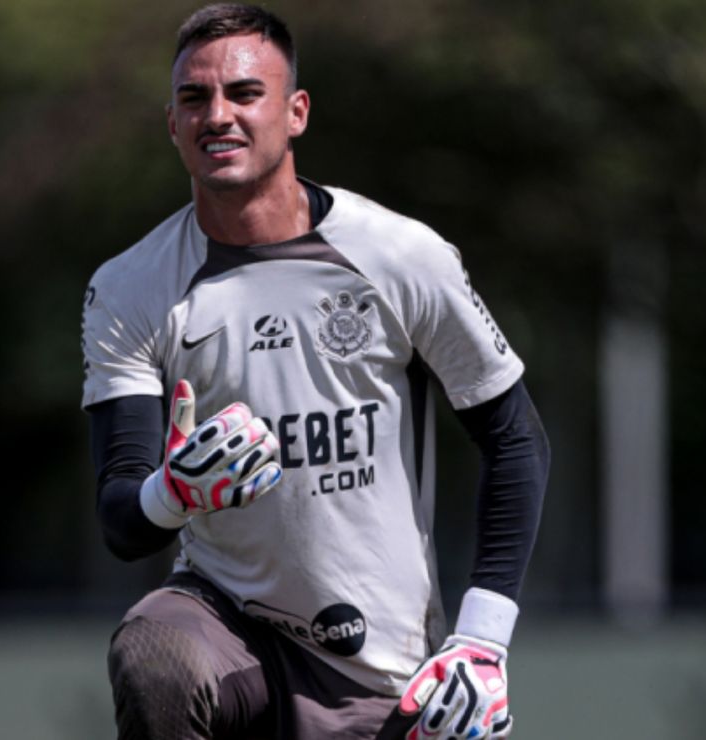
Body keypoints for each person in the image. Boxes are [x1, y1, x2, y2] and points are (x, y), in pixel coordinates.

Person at [80, 4, 549, 739]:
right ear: (172, 123)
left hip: (377, 665)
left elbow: (515, 439)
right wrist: (173, 493)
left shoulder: (401, 255)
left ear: (296, 112)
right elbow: (121, 517)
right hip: (226, 620)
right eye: (195, 98)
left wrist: (483, 643)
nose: (218, 116)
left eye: (244, 93)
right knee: (156, 655)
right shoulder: (129, 287)